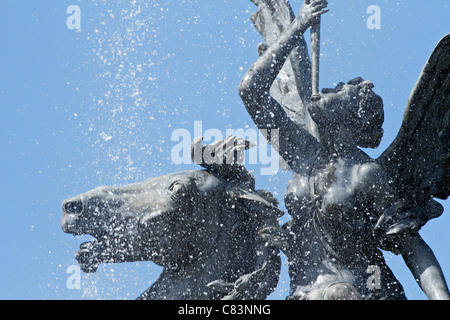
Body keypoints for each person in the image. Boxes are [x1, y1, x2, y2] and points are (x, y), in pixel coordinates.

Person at [238, 0, 450, 300]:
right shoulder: (303, 153)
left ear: (353, 117)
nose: (328, 87)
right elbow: (251, 89)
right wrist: (298, 26)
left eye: (340, 89)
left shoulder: (367, 174)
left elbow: (412, 247)